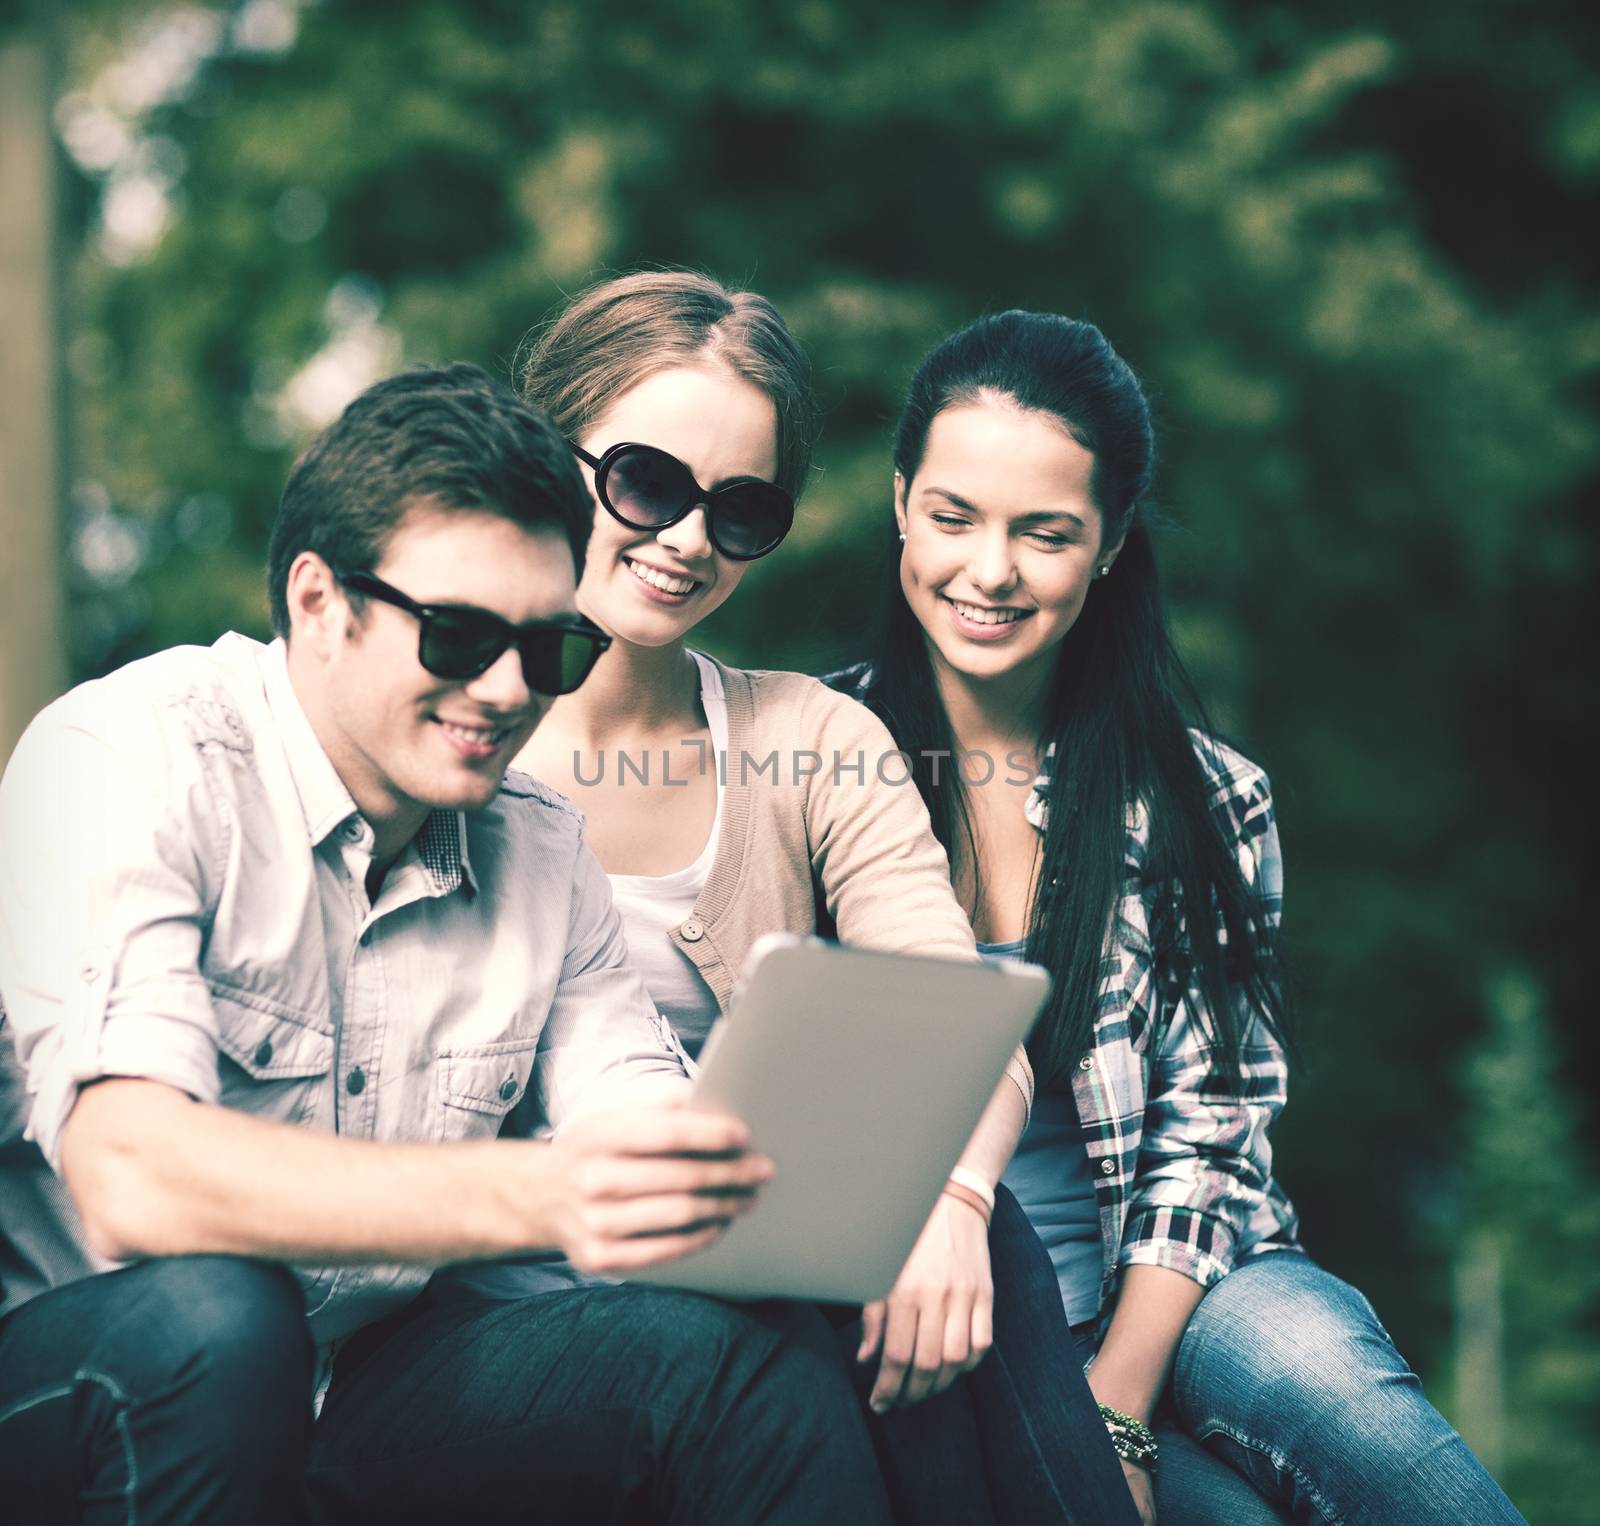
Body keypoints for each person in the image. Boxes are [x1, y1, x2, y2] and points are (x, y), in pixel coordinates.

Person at [0, 363, 903, 1524]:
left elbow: (630, 1113)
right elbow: (131, 1175)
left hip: (355, 1398)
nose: (506, 690)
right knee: (216, 1318)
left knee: (742, 1341)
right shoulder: (129, 756)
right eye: (460, 635)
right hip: (87, 1379)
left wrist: (741, 1186)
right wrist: (543, 1193)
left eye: (547, 650)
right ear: (319, 602)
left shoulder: (539, 847)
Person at [445, 269, 1140, 1524]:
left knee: (970, 1239)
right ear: (546, 446)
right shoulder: (439, 733)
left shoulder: (813, 734)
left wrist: (952, 1192)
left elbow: (962, 1023)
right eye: (646, 482)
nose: (685, 540)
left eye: (740, 509)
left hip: (765, 1257)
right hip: (523, 1309)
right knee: (824, 1308)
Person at [828, 309, 1527, 1526]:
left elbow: (1210, 1134)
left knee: (1346, 1395)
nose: (988, 570)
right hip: (951, 1299)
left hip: (1179, 1277)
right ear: (899, 504)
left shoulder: (1207, 797)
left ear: (1104, 550)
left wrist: (1112, 1403)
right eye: (953, 517)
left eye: (1043, 534)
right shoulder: (807, 756)